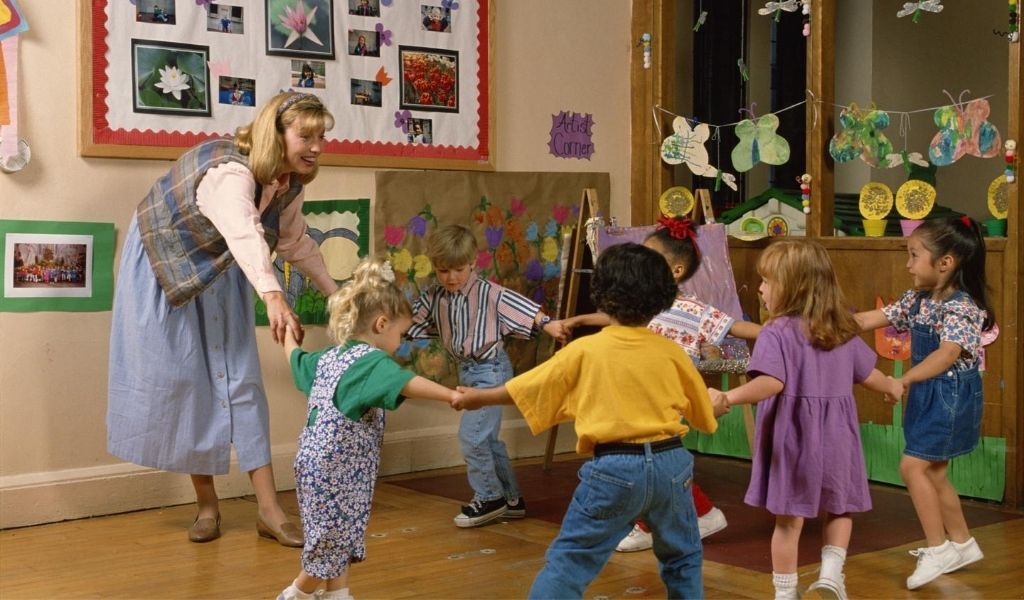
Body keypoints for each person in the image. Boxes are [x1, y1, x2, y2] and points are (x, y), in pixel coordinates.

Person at [107, 92, 337, 547]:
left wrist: (336, 293)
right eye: (304, 136)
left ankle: (269, 512)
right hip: (165, 262)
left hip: (222, 260)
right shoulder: (229, 173)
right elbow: (242, 229)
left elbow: (293, 241)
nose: (315, 146)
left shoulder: (287, 183)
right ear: (277, 134)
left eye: (321, 136)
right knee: (192, 381)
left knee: (241, 378)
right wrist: (271, 294)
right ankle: (207, 506)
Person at [454, 242, 718, 599]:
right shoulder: (672, 352)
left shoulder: (585, 350)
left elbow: (525, 388)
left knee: (571, 561)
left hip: (615, 467)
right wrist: (718, 406)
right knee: (683, 558)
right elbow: (703, 415)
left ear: (602, 296)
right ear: (663, 298)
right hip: (672, 464)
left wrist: (477, 397)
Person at [706, 239, 895, 600]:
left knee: (788, 521)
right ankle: (830, 574)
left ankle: (785, 593)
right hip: (838, 435)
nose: (760, 287)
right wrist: (893, 388)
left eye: (767, 280)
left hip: (794, 438)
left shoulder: (776, 332)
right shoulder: (841, 329)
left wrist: (728, 396)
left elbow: (770, 382)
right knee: (840, 507)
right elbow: (870, 376)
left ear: (793, 287)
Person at [560, 216, 760, 553]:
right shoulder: (644, 303)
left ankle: (668, 521)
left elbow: (738, 328)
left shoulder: (695, 310)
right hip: (635, 393)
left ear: (676, 271)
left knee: (642, 459)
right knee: (649, 463)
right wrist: (579, 319)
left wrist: (787, 333)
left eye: (651, 260)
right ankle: (693, 516)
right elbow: (613, 316)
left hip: (666, 397)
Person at [276, 258, 462, 600]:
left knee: (338, 537)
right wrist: (450, 394)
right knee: (327, 549)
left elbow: (295, 359)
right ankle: (294, 596)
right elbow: (407, 382)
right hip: (338, 472)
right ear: (381, 324)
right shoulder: (370, 362)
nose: (401, 343)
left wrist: (287, 334)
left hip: (315, 468)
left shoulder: (327, 359)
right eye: (401, 333)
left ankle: (338, 594)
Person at [854, 216, 993, 591]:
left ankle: (938, 548)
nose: (908, 264)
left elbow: (947, 354)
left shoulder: (961, 307)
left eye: (914, 255)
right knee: (933, 472)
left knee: (912, 467)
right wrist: (828, 324)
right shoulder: (918, 300)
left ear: (945, 263)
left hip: (950, 395)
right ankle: (962, 543)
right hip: (929, 394)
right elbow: (872, 318)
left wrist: (902, 379)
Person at [406, 224, 567, 528]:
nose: (451, 278)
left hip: (490, 369)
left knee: (472, 437)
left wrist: (547, 323)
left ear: (472, 263)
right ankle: (511, 499)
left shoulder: (488, 292)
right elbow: (413, 321)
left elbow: (521, 307)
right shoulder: (434, 295)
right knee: (488, 440)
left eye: (458, 270)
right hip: (467, 371)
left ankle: (489, 496)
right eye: (443, 271)